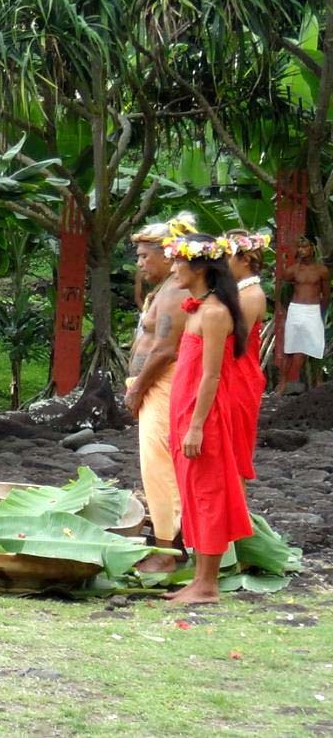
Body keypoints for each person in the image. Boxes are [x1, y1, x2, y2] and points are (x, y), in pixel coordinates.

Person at [164, 234, 256, 604]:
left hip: (205, 417)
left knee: (209, 495)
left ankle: (208, 584)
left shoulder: (216, 312)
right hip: (186, 412)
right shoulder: (197, 308)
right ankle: (200, 580)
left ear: (199, 267)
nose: (173, 270)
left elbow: (212, 375)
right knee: (193, 494)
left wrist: (198, 425)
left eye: (177, 263)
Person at [123, 215, 195, 571]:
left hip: (161, 385)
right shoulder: (165, 288)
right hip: (153, 386)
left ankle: (169, 550)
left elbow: (165, 349)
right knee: (156, 465)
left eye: (144, 256)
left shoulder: (175, 291)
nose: (139, 263)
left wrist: (137, 388)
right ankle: (169, 542)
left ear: (168, 254)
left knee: (160, 467)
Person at [227, 229, 271, 467]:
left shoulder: (250, 296)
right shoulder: (240, 292)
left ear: (244, 260)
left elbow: (234, 341)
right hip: (235, 373)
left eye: (227, 256)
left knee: (235, 451)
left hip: (239, 375)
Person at [279, 235, 328, 392]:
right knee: (290, 347)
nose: (302, 250)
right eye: (299, 247)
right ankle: (282, 383)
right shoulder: (292, 271)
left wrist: (321, 313)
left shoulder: (321, 270)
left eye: (305, 247)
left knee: (316, 346)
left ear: (312, 248)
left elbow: (326, 295)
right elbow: (283, 293)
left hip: (313, 310)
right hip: (296, 309)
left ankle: (318, 383)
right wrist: (288, 310)